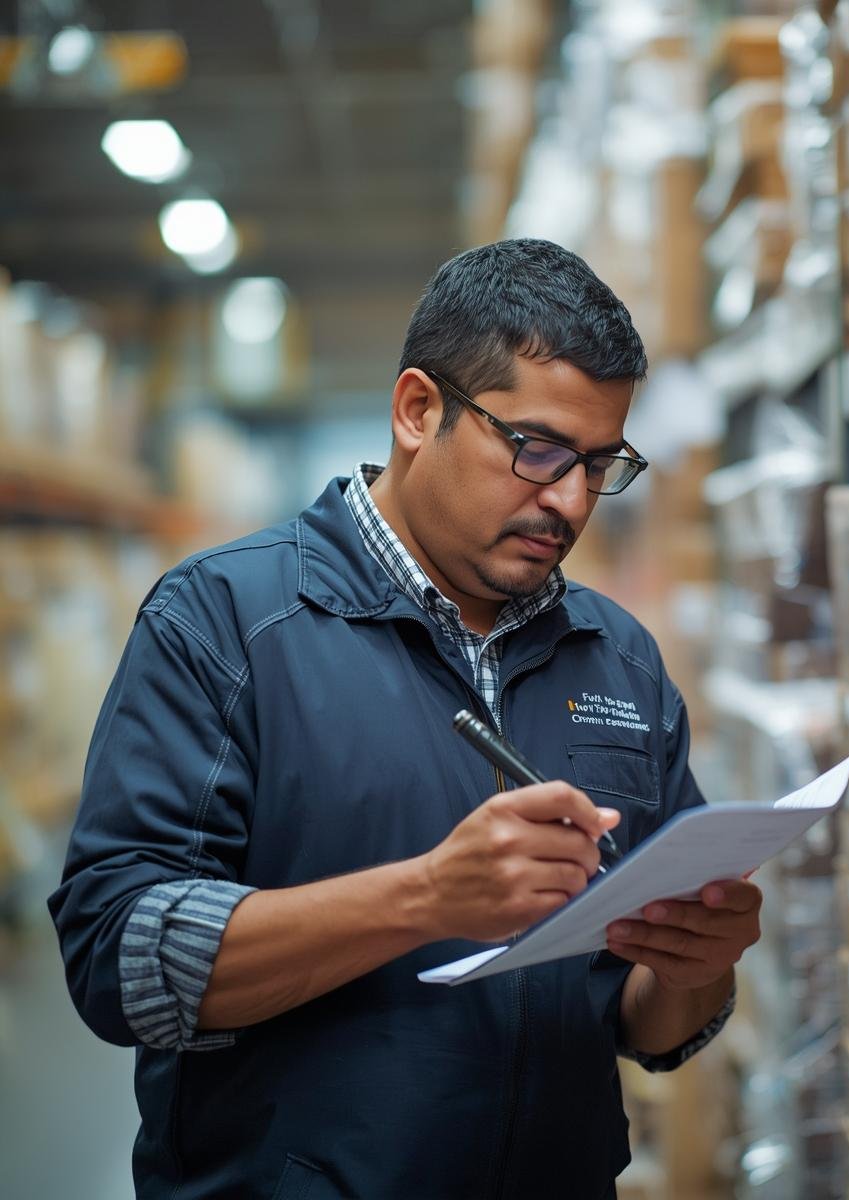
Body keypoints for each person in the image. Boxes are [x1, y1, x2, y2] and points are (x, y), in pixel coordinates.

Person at [50, 238, 762, 1199]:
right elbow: (118, 956)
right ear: (419, 410)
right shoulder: (228, 623)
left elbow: (646, 1027)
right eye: (538, 449)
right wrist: (426, 898)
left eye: (600, 463)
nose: (568, 498)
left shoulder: (620, 659)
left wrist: (697, 968)